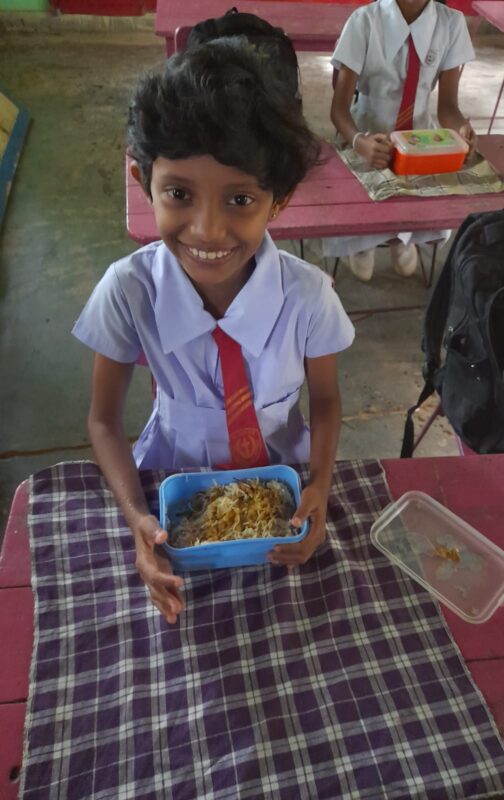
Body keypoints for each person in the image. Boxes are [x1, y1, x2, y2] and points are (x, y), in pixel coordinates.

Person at [72, 39, 355, 624]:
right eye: (178, 194)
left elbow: (325, 402)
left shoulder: (307, 298)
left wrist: (320, 488)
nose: (207, 230)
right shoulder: (129, 291)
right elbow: (103, 421)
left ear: (278, 202)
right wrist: (137, 518)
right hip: (168, 480)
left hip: (284, 487)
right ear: (140, 177)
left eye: (240, 199)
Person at [326, 0, 477, 282]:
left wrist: (462, 130)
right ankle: (364, 240)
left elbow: (447, 108)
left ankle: (402, 238)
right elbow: (338, 110)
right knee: (364, 189)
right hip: (367, 134)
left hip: (421, 139)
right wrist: (360, 142)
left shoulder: (451, 24)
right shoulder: (364, 22)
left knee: (436, 185)